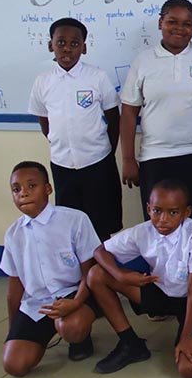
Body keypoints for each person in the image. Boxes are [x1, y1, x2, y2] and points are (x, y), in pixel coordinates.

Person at [87, 180, 192, 378]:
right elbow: (99, 251)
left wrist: (187, 336)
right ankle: (130, 343)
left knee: (188, 370)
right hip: (162, 292)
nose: (163, 219)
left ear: (186, 212)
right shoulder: (143, 231)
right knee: (96, 274)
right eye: (157, 211)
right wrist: (121, 274)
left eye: (173, 212)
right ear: (148, 209)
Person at [0, 161, 102, 376]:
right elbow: (14, 290)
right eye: (16, 189)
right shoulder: (13, 234)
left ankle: (80, 339)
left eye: (32, 186)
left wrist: (76, 302)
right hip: (38, 303)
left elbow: (90, 272)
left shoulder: (74, 220)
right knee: (14, 365)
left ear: (48, 189)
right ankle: (44, 334)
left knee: (72, 328)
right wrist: (14, 332)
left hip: (75, 294)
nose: (23, 193)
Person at [120, 0, 192, 223]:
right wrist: (128, 159)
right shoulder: (143, 61)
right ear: (160, 22)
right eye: (172, 22)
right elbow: (129, 113)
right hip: (156, 157)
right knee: (160, 226)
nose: (179, 29)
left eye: (187, 24)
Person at [28, 17, 122, 239]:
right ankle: (76, 262)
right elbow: (44, 120)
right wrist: (57, 140)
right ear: (50, 45)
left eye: (74, 43)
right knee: (69, 224)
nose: (67, 48)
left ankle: (101, 262)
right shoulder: (43, 81)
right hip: (62, 164)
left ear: (84, 48)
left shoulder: (97, 77)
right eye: (61, 42)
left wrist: (106, 151)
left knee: (102, 222)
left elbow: (113, 118)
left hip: (97, 162)